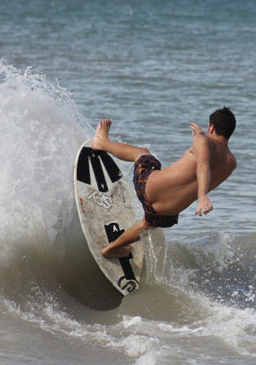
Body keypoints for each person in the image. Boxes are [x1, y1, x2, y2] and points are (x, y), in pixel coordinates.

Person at [92, 107, 237, 258]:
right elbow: (207, 164)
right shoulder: (231, 163)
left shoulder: (203, 141)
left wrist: (202, 196)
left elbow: (204, 165)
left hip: (146, 187)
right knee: (146, 224)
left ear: (211, 127)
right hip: (165, 216)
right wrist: (200, 138)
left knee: (143, 153)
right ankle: (111, 249)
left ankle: (101, 143)